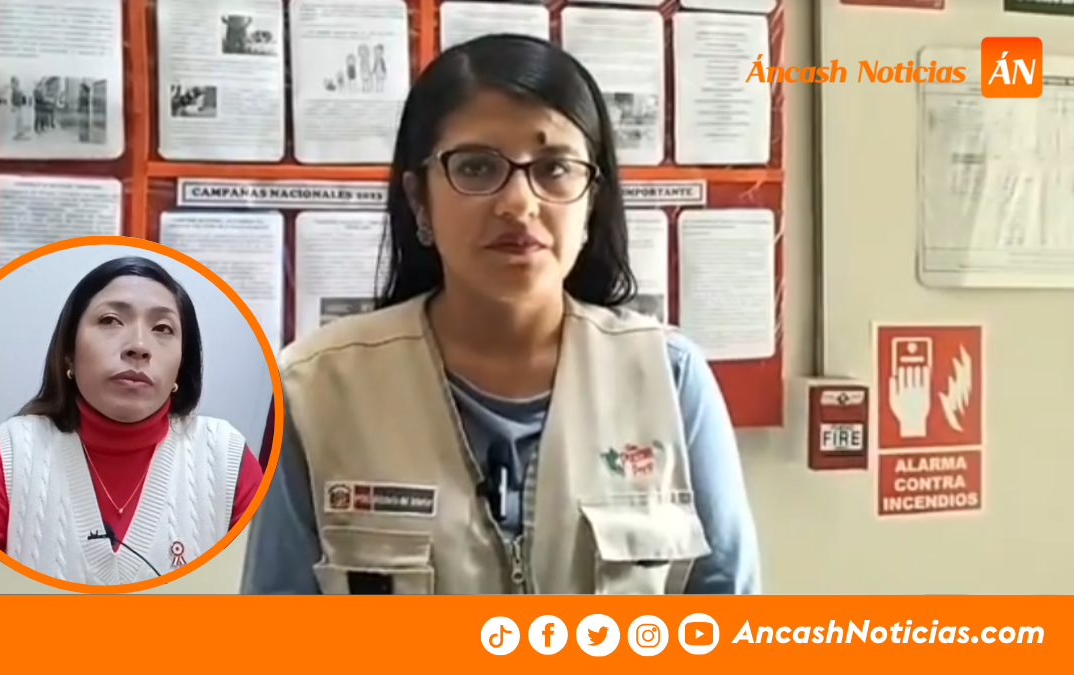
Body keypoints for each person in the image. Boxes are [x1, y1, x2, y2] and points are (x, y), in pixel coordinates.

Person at [241, 34, 760, 595]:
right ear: (419, 199)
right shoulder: (315, 390)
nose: (518, 204)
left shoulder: (669, 378)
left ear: (592, 200)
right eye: (476, 167)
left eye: (554, 168)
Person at [0, 256, 263, 585]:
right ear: (68, 353)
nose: (139, 347)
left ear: (181, 366)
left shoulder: (225, 454)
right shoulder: (12, 452)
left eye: (163, 328)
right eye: (111, 320)